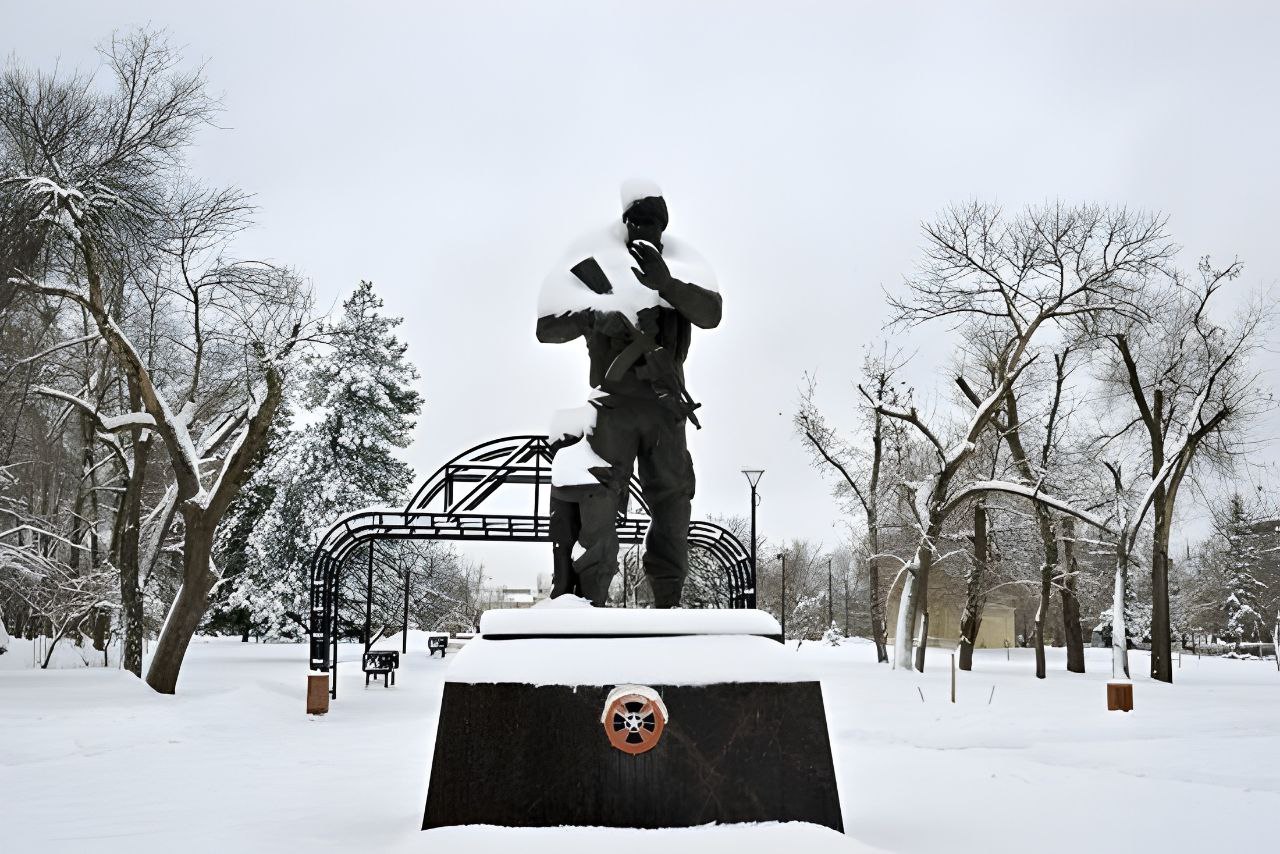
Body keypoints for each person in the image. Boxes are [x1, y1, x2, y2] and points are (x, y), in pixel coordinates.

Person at [537, 181, 721, 606]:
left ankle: (669, 602)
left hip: (665, 408)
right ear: (625, 221)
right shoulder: (595, 260)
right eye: (639, 221)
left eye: (655, 224)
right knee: (598, 503)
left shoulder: (684, 262)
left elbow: (712, 313)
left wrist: (667, 284)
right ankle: (588, 604)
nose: (647, 230)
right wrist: (593, 316)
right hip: (613, 409)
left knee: (674, 504)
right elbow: (545, 328)